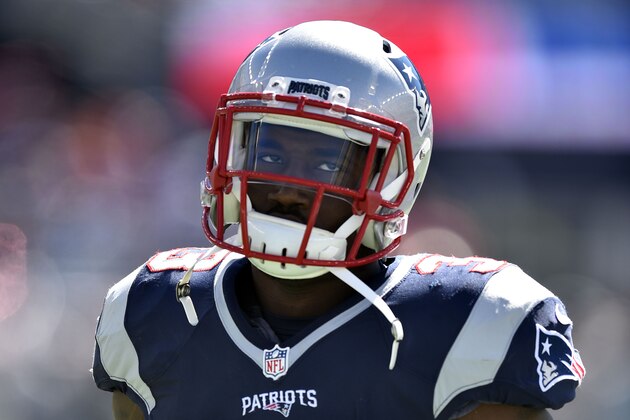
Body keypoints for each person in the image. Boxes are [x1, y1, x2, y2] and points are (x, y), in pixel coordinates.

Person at [92, 21, 585, 419]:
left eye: (328, 163)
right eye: (272, 154)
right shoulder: (152, 311)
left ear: (393, 180)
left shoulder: (471, 321)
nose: (289, 187)